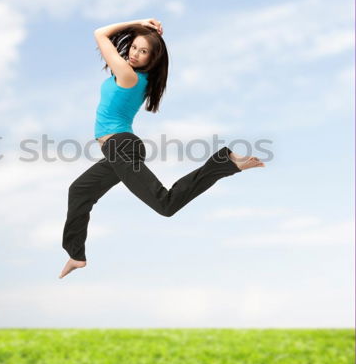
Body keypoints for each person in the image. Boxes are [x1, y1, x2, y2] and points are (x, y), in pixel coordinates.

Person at [59, 18, 265, 278]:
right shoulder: (132, 75)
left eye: (143, 51)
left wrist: (137, 23)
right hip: (117, 149)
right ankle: (76, 255)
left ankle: (224, 162)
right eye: (134, 47)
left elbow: (100, 34)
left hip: (121, 147)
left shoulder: (128, 76)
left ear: (152, 59)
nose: (135, 53)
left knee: (165, 204)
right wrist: (144, 29)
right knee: (79, 190)